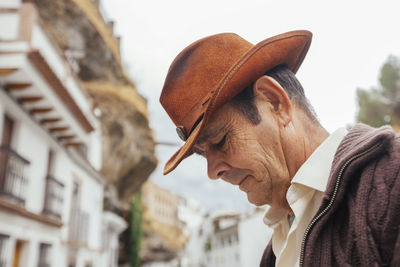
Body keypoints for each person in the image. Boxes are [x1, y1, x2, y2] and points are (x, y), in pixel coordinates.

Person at [159, 30, 400, 266]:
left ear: (275, 101)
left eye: (220, 141)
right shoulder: (277, 247)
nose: (212, 173)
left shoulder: (392, 180)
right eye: (202, 155)